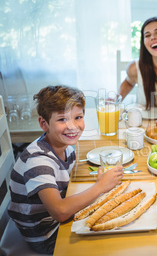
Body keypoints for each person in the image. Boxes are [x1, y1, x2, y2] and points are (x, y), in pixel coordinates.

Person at [8, 86, 123, 254]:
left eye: (78, 117)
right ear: (43, 123)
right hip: (45, 235)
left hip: (53, 222)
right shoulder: (38, 161)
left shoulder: (65, 146)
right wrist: (100, 186)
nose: (72, 126)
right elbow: (60, 212)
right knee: (113, 243)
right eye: (62, 120)